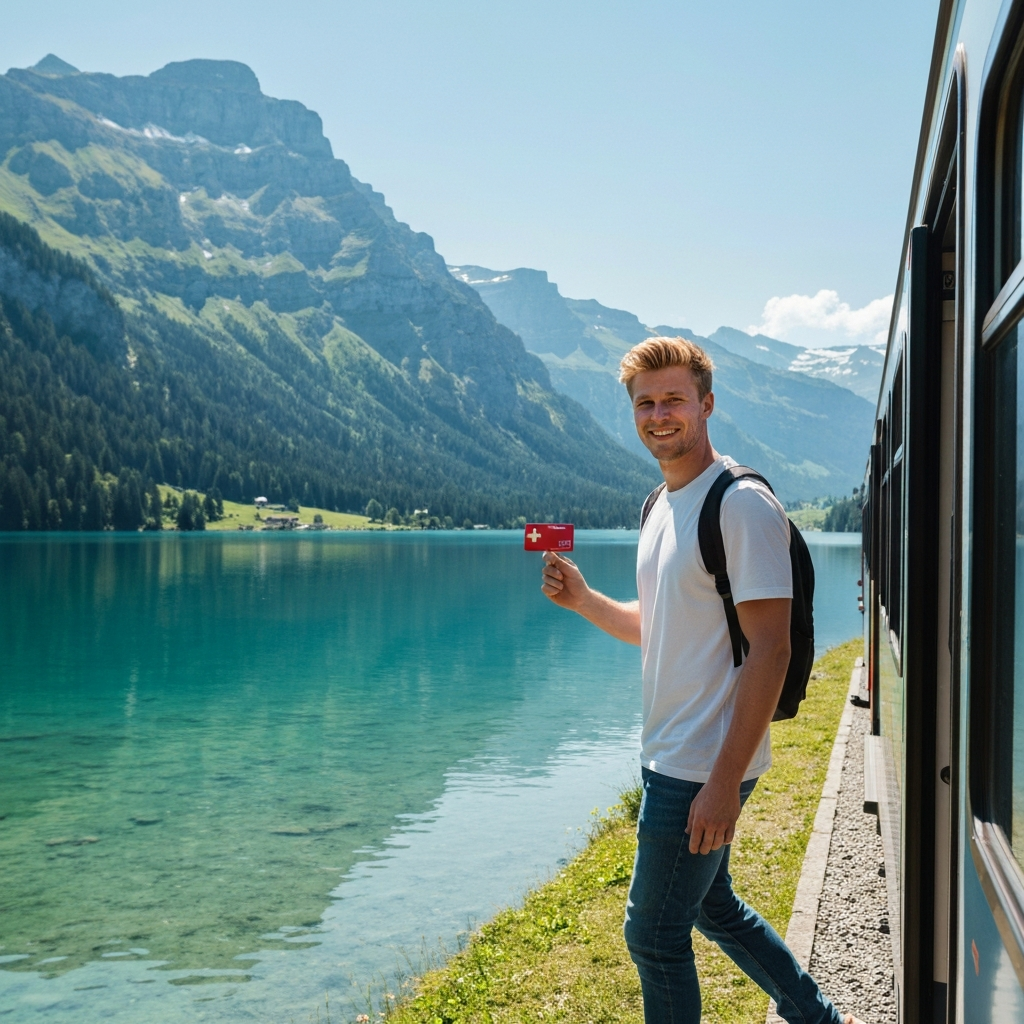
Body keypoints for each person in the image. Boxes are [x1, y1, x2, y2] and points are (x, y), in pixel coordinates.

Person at [540, 337, 862, 1024]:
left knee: (653, 935)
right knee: (714, 907)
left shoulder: (739, 506)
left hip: (702, 762)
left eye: (674, 400)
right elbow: (657, 627)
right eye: (645, 403)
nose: (660, 415)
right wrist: (584, 600)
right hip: (671, 753)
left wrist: (723, 781)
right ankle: (818, 1017)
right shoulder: (659, 503)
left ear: (707, 404)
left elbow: (770, 651)